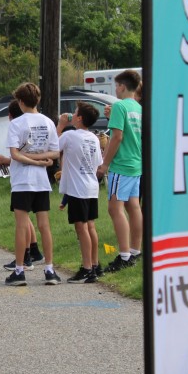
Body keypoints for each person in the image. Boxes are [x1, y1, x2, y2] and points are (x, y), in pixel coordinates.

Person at [4, 82, 61, 286]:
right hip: (41, 181)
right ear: (38, 99)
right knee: (44, 225)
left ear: (20, 101)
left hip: (22, 181)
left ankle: (19, 270)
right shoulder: (48, 122)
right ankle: (49, 269)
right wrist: (40, 160)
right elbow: (54, 152)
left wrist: (31, 159)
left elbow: (14, 154)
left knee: (21, 226)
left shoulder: (16, 123)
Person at [97, 69, 143, 272]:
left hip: (121, 165)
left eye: (116, 86)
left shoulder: (119, 106)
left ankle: (124, 255)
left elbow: (117, 137)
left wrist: (105, 164)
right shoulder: (138, 108)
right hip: (136, 164)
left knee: (115, 209)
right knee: (134, 207)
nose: (115, 89)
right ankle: (135, 251)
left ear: (122, 86)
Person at [58, 102, 104, 283]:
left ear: (79, 118)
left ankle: (86, 268)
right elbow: (98, 163)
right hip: (91, 187)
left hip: (78, 189)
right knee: (90, 226)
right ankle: (95, 264)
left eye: (75, 112)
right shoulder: (94, 138)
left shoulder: (69, 135)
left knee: (81, 227)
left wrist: (61, 124)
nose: (72, 114)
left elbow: (53, 146)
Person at [0, 100, 42, 270]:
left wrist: (5, 160)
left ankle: (25, 258)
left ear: (10, 116)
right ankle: (34, 251)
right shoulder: (38, 124)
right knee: (28, 218)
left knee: (22, 220)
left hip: (23, 180)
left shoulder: (16, 126)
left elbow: (20, 156)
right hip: (37, 179)